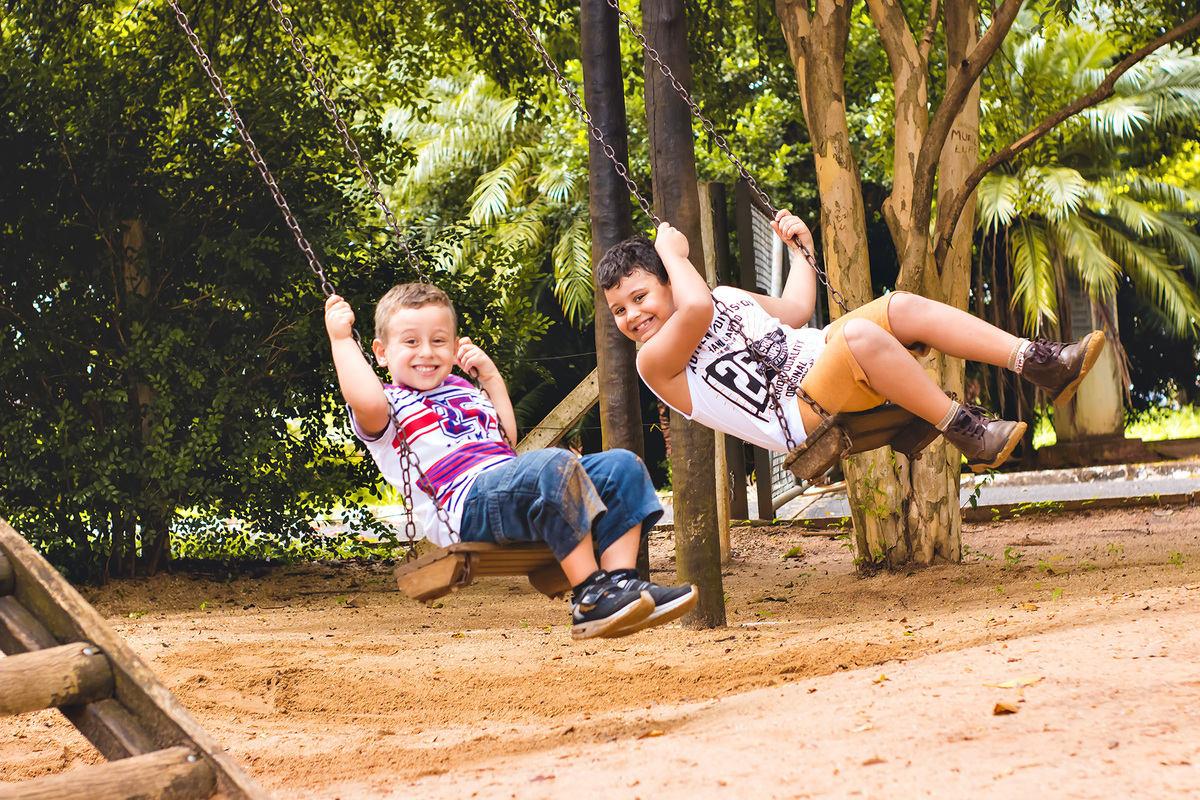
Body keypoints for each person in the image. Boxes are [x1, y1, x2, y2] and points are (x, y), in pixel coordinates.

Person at [597, 211, 1106, 472]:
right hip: (801, 414)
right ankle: (966, 429)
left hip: (824, 356)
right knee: (861, 333)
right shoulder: (655, 362)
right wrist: (674, 252)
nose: (633, 315)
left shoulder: (723, 295)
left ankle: (1038, 361)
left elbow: (795, 312)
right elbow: (696, 309)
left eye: (640, 296)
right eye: (619, 309)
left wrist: (804, 253)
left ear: (666, 283)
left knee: (901, 305)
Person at [324, 283, 696, 639]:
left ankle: (620, 585)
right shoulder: (387, 406)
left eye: (438, 341)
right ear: (382, 352)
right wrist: (341, 340)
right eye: (410, 342)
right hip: (464, 506)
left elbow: (505, 439)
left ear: (455, 348)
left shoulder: (461, 387)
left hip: (508, 486)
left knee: (623, 466)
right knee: (554, 463)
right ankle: (591, 597)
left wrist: (490, 378)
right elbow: (365, 399)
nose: (426, 352)